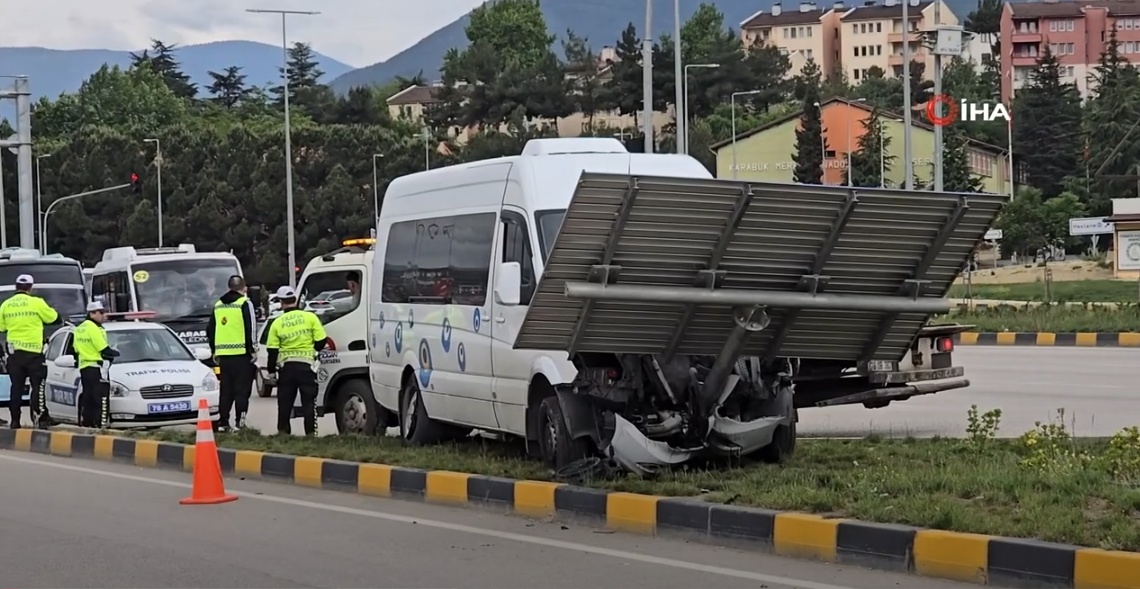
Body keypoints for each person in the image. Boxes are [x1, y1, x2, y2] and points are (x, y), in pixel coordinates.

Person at [0, 274, 62, 428]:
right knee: (38, 385)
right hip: (34, 353)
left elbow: (1, 327)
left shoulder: (6, 305)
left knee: (16, 387)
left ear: (16, 287)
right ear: (30, 287)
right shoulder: (36, 302)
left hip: (14, 354)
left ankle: (15, 421)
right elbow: (53, 318)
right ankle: (41, 418)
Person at [265, 286, 327, 436]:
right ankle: (311, 433)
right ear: (296, 300)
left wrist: (271, 372)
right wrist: (313, 350)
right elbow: (321, 340)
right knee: (308, 402)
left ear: (281, 302)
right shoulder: (310, 318)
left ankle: (283, 433)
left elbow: (272, 351)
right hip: (306, 367)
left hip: (287, 368)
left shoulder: (277, 323)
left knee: (284, 403)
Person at [207, 275, 256, 432]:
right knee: (242, 391)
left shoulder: (218, 305)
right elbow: (251, 327)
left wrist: (214, 350)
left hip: (224, 357)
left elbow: (210, 329)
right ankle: (240, 423)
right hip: (242, 355)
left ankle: (223, 423)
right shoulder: (244, 303)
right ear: (244, 288)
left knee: (226, 391)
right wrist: (253, 349)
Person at [70, 301, 119, 428]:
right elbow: (104, 349)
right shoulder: (94, 329)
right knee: (100, 398)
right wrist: (117, 353)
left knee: (88, 397)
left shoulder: (79, 328)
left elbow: (75, 349)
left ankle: (88, 423)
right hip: (97, 368)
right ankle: (100, 425)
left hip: (84, 367)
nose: (104, 315)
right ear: (92, 314)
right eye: (101, 313)